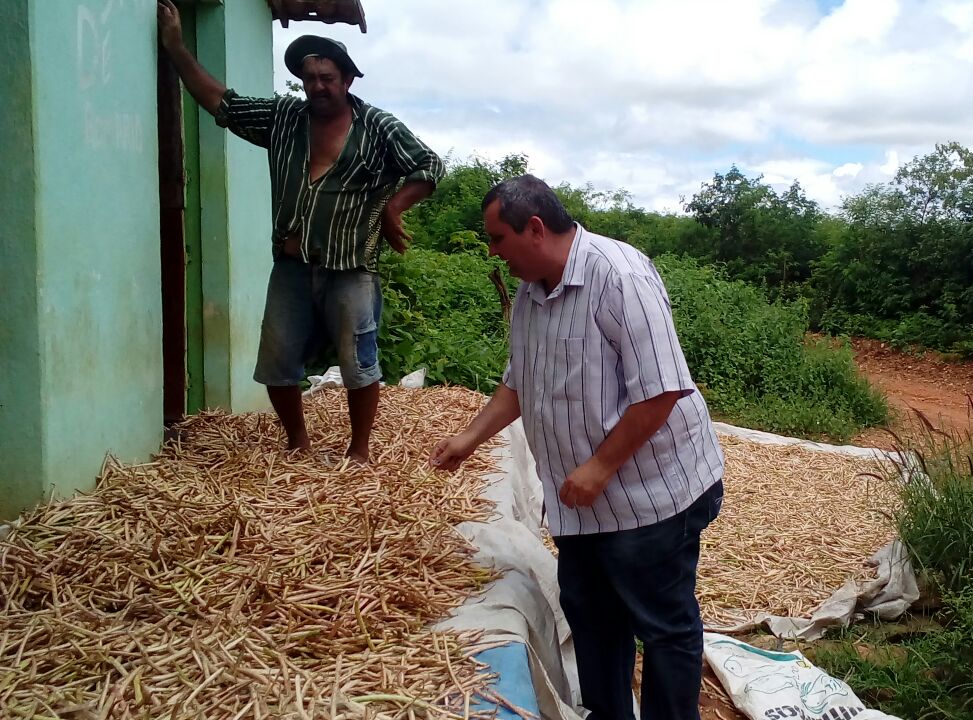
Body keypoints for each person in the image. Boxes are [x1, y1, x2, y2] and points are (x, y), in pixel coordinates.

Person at [432, 175, 725, 720]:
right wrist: (469, 438)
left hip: (651, 496)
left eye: (497, 238)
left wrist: (599, 466)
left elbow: (661, 390)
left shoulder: (620, 276)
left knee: (664, 627)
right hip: (579, 502)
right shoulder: (528, 292)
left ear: (535, 228)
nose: (492, 251)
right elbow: (521, 378)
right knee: (593, 620)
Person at [156, 0, 444, 462]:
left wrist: (394, 206)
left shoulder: (377, 126)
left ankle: (360, 450)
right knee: (277, 361)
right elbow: (221, 102)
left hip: (352, 266)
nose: (317, 86)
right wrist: (177, 49)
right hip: (290, 265)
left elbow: (429, 165)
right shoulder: (285, 119)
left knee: (359, 363)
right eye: (310, 78)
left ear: (347, 80)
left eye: (327, 78)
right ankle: (297, 444)